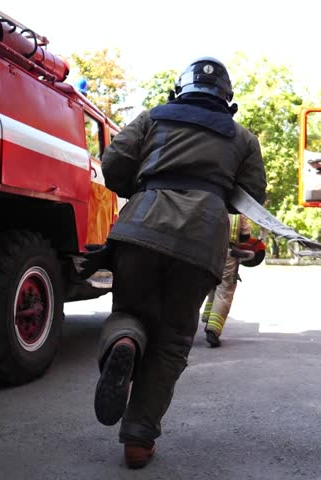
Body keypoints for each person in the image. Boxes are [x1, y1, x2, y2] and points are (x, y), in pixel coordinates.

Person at [79, 57, 266, 469]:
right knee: (173, 340)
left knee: (129, 312)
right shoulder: (243, 138)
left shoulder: (151, 118)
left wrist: (147, 187)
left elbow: (112, 168)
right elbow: (251, 198)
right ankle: (138, 440)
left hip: (140, 233)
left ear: (179, 91)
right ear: (227, 100)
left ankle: (123, 343)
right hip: (199, 246)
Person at [201, 214, 266, 347]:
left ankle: (207, 317)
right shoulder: (238, 214)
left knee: (210, 285)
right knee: (224, 292)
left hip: (207, 252)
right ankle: (213, 331)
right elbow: (245, 238)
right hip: (229, 255)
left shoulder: (210, 204)